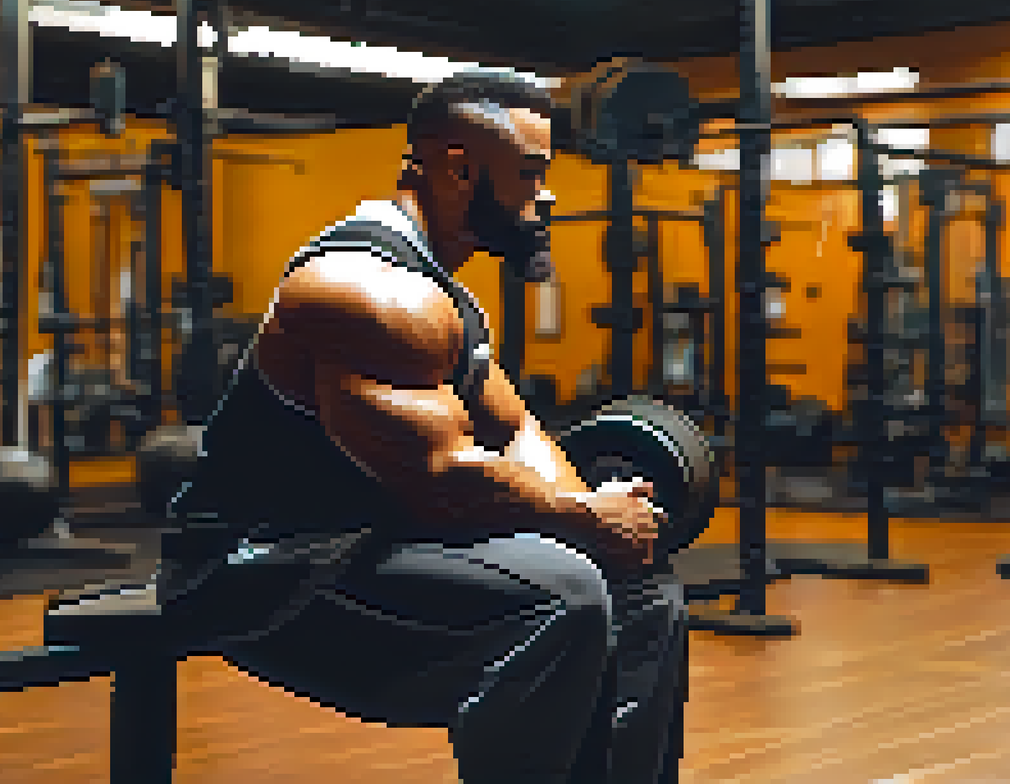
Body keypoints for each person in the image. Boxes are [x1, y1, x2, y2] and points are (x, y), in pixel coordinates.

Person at [162, 71, 687, 784]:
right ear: (458, 167)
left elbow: (513, 432)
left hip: (371, 542)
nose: (548, 194)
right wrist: (579, 521)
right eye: (531, 173)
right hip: (264, 570)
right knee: (564, 592)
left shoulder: (444, 293)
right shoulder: (367, 290)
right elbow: (443, 480)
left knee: (641, 593)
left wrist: (598, 527)